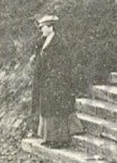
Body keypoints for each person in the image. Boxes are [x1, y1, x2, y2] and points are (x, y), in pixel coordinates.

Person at [31, 15, 82, 149]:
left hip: (57, 82)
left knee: (56, 110)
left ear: (51, 27)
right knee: (47, 109)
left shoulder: (59, 43)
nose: (41, 30)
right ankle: (49, 137)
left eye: (43, 27)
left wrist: (55, 78)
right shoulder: (44, 41)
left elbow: (64, 64)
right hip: (47, 81)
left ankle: (59, 139)